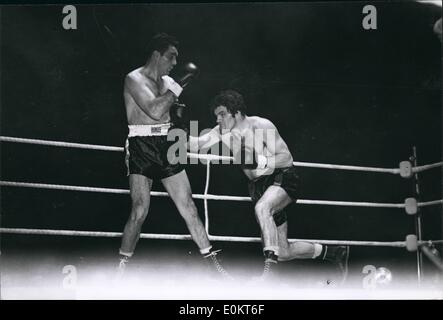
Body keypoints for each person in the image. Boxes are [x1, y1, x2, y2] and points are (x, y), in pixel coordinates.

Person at [188, 89, 350, 282]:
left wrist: (261, 161)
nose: (218, 120)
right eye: (216, 116)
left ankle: (269, 274)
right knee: (283, 251)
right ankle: (334, 253)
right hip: (259, 187)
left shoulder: (261, 125)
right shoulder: (221, 132)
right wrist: (174, 128)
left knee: (263, 208)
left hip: (282, 177)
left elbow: (286, 158)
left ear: (236, 112)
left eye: (222, 114)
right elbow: (196, 144)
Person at [118, 33, 230, 279]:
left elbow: (169, 116)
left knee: (189, 206)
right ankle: (121, 269)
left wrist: (177, 115)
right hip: (142, 145)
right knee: (139, 210)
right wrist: (179, 85)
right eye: (171, 56)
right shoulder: (134, 79)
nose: (175, 62)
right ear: (157, 55)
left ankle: (214, 267)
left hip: (168, 142)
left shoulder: (167, 81)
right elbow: (155, 110)